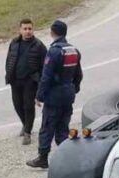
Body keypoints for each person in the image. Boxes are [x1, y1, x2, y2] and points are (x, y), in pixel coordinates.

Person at [26, 19, 83, 169]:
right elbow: (79, 75)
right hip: (68, 95)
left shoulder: (54, 51)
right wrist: (73, 88)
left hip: (54, 96)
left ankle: (43, 158)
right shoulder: (74, 50)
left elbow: (46, 77)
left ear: (52, 32)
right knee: (63, 127)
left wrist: (39, 95)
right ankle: (67, 158)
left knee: (47, 127)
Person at [5, 18, 47, 146]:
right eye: (25, 29)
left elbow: (45, 67)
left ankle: (27, 132)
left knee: (28, 107)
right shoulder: (14, 43)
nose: (28, 31)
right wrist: (9, 74)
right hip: (15, 81)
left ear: (33, 30)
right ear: (20, 30)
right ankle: (25, 124)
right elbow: (9, 60)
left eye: (30, 29)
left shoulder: (39, 46)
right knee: (18, 106)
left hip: (30, 81)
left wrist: (40, 82)